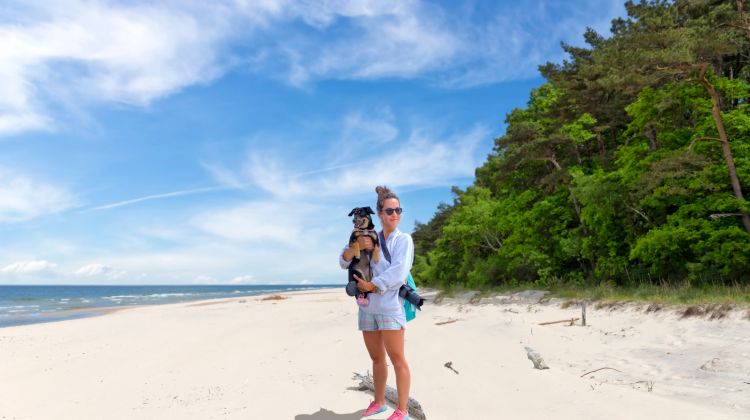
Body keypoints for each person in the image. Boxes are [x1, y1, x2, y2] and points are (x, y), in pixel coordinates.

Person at [340, 186, 414, 420]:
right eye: (389, 211)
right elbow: (343, 262)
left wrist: (373, 285)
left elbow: (399, 273)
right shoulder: (366, 235)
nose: (394, 214)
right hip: (366, 307)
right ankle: (380, 403)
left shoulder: (403, 240)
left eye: (398, 210)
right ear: (380, 214)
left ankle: (402, 410)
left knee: (397, 358)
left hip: (390, 308)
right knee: (376, 358)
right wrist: (356, 247)